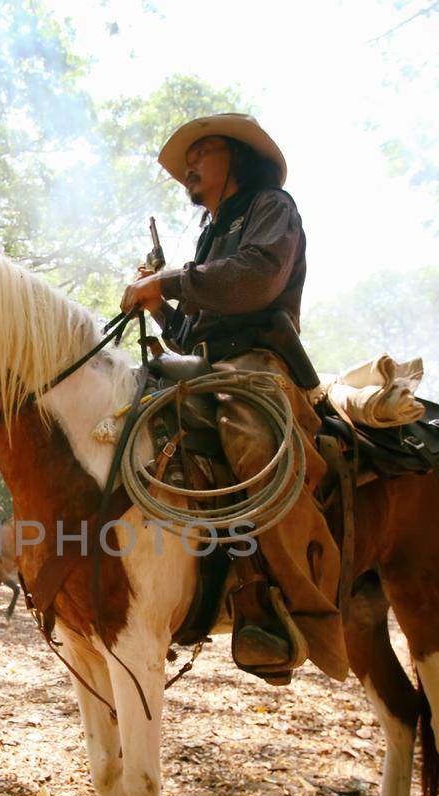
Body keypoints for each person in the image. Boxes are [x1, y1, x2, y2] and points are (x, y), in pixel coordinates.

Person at [120, 113, 347, 683]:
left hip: (256, 362)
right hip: (204, 366)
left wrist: (168, 281)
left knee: (249, 438)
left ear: (238, 159)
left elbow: (255, 280)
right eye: (186, 161)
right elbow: (191, 333)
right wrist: (162, 310)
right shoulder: (209, 233)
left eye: (204, 153)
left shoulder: (274, 207)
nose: (189, 169)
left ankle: (280, 599)